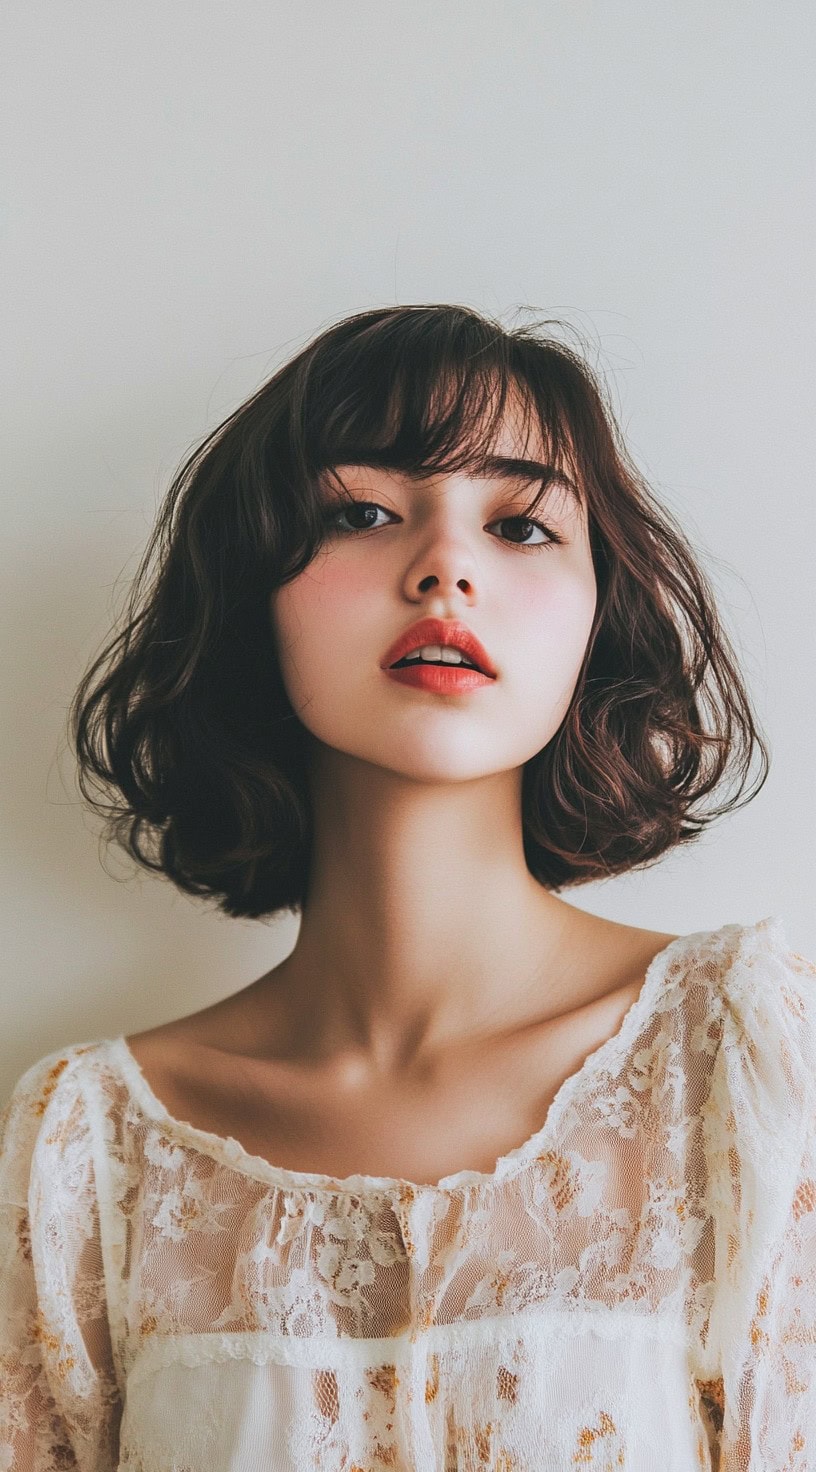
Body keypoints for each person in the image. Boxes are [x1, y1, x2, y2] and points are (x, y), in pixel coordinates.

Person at [1, 303, 813, 1469]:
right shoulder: (90, 1147)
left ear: (599, 614)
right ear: (254, 595)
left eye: (523, 525)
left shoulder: (752, 1062)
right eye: (363, 512)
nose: (445, 566)